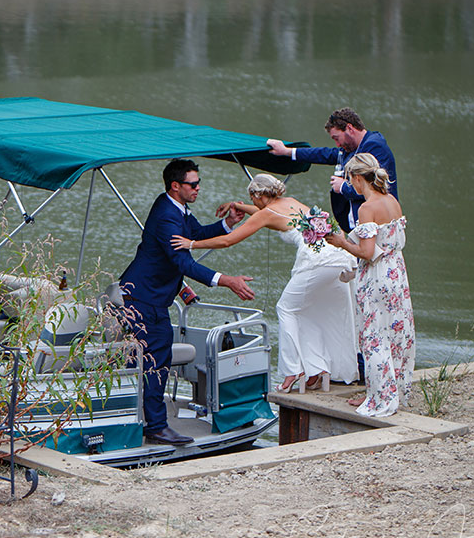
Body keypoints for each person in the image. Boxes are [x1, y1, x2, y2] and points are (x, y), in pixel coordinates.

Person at [172, 173, 357, 394]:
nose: (253, 203)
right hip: (341, 256)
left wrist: (191, 244)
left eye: (253, 198)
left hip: (317, 261)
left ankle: (293, 371)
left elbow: (228, 240)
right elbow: (265, 212)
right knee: (315, 311)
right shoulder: (291, 203)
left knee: (286, 309)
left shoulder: (267, 213)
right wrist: (237, 205)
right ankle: (319, 369)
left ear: (258, 194)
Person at [119, 159, 256, 446]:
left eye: (198, 182)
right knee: (156, 360)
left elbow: (195, 234)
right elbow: (182, 260)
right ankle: (155, 426)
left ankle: (142, 420)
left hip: (147, 296)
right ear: (176, 186)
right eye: (193, 184)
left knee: (154, 358)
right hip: (143, 298)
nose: (198, 188)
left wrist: (227, 224)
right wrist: (226, 280)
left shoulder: (175, 207)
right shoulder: (167, 216)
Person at [324, 153, 415, 417]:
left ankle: (380, 398)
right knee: (397, 334)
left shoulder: (367, 208)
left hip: (377, 276)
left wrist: (342, 242)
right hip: (397, 273)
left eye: (350, 179)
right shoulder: (392, 201)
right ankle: (392, 390)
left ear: (356, 178)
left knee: (374, 337)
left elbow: (366, 251)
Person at [265, 107, 398, 233]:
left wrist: (343, 187)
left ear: (350, 129)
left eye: (336, 138)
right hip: (360, 224)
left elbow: (377, 189)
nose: (338, 144)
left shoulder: (374, 146)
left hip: (376, 225)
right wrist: (287, 151)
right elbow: (324, 154)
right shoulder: (352, 148)